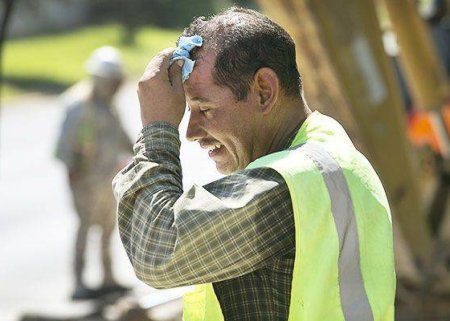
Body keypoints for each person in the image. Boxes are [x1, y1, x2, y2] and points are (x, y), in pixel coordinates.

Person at [113, 7, 396, 321]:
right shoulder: (325, 155)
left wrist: (157, 131)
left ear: (264, 91)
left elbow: (156, 252)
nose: (191, 133)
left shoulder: (293, 182)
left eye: (204, 109)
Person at [55, 46, 133, 300]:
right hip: (85, 182)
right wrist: (74, 176)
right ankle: (78, 282)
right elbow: (65, 147)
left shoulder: (107, 106)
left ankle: (107, 278)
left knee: (109, 229)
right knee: (85, 228)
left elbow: (121, 137)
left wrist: (140, 153)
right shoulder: (80, 106)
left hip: (107, 180)